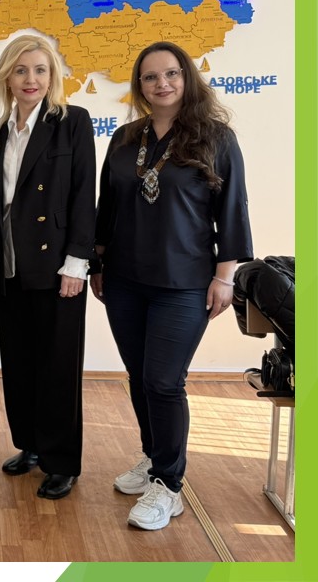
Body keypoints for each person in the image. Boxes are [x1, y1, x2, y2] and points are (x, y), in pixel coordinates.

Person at [91, 41, 253, 530]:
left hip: (183, 284)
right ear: (139, 86)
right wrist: (98, 263)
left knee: (164, 381)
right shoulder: (125, 138)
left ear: (187, 77)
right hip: (123, 280)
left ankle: (169, 485)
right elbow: (107, 207)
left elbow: (232, 210)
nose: (161, 83)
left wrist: (225, 277)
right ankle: (153, 457)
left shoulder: (216, 138)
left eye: (171, 73)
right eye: (150, 77)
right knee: (139, 376)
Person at [0, 34, 96, 501]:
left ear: (53, 76)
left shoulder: (72, 121)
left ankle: (61, 460)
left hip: (56, 264)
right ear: (7, 76)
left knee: (57, 366)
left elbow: (83, 195)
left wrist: (77, 264)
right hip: (8, 263)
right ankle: (29, 444)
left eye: (40, 70)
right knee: (19, 360)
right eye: (21, 70)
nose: (31, 79)